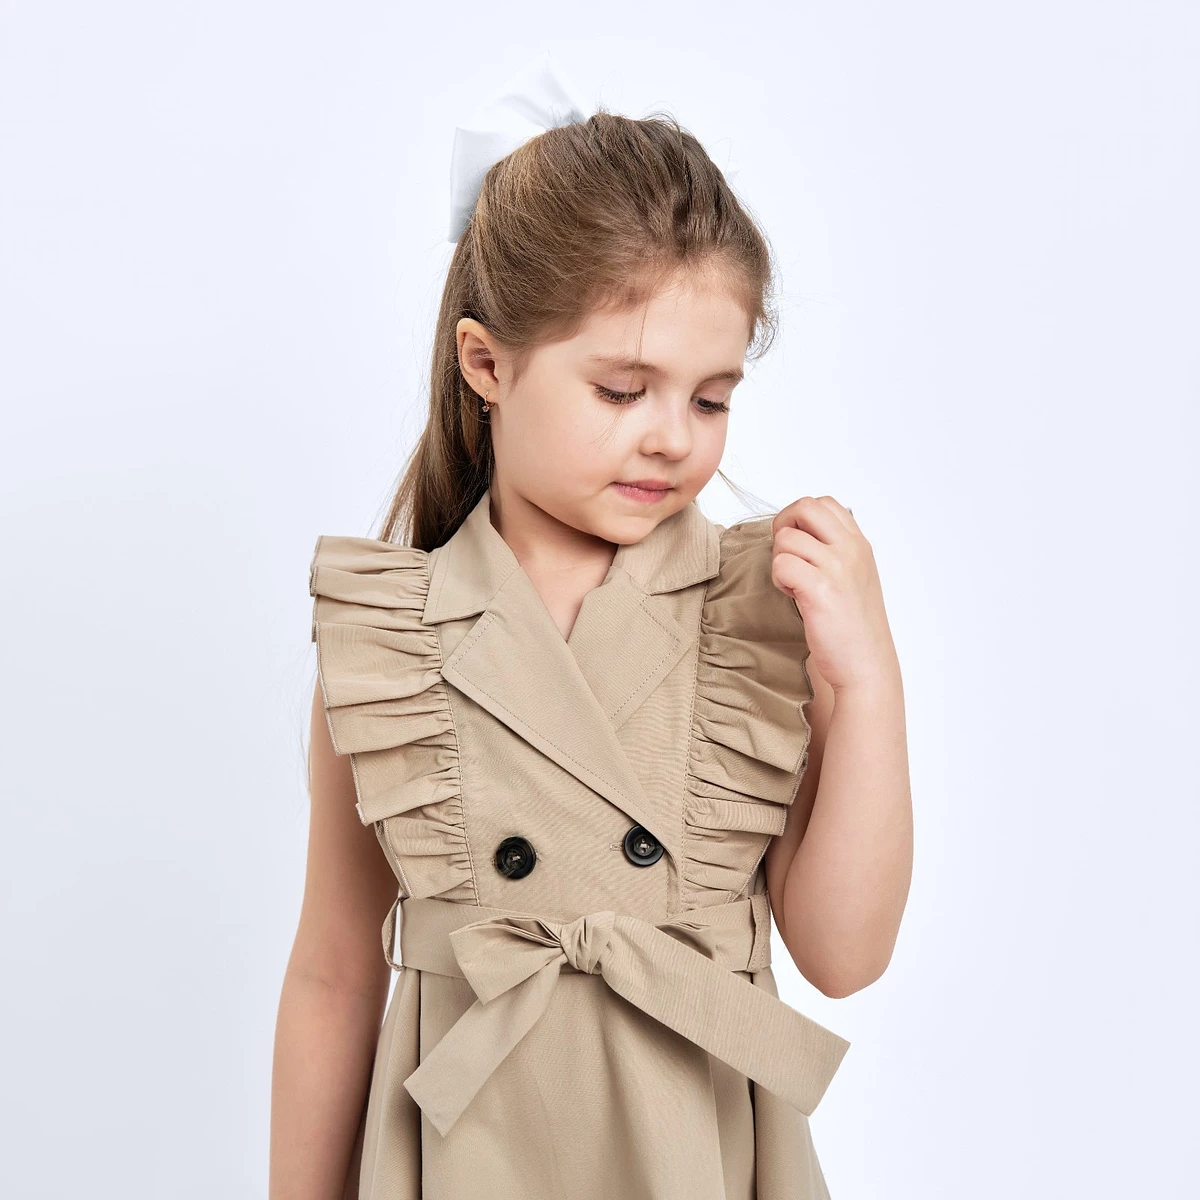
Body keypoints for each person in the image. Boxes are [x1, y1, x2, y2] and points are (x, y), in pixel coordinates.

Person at [271, 53, 913, 1200]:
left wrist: (866, 686)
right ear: (488, 364)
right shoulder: (391, 645)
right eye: (623, 391)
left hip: (696, 1153)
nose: (672, 435)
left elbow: (844, 953)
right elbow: (332, 975)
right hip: (463, 1154)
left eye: (711, 398)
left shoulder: (761, 619)